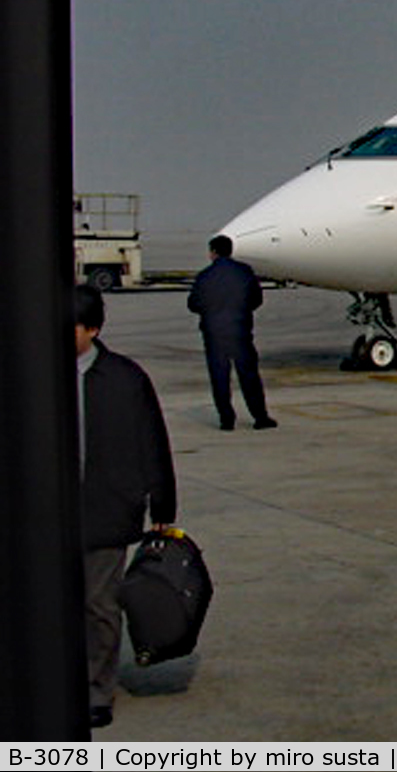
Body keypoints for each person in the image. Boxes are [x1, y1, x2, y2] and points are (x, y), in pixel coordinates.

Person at [76, 284, 177, 729]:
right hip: (45, 515)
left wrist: (162, 501)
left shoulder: (124, 378)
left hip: (106, 509)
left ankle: (97, 689)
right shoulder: (32, 370)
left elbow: (151, 440)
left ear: (93, 328)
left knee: (99, 605)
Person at [188, 234, 276, 430]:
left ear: (213, 252)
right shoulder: (244, 272)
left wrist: (211, 310)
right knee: (249, 375)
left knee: (220, 377)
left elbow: (193, 304)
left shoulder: (205, 276)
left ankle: (226, 419)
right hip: (240, 331)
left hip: (214, 334)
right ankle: (260, 417)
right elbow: (256, 299)